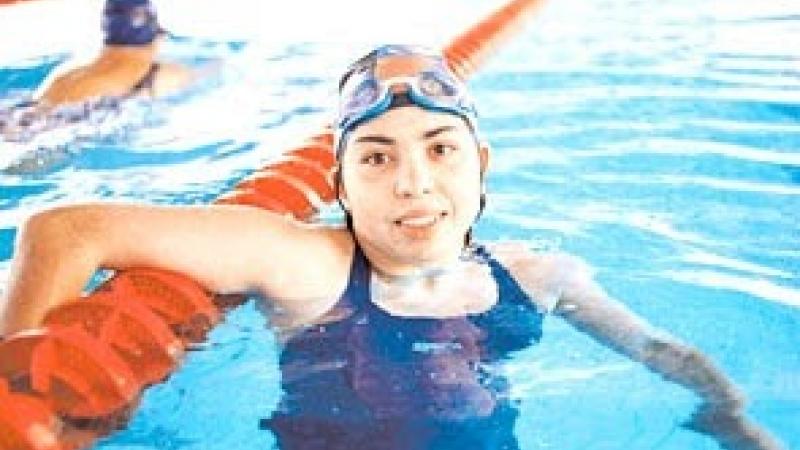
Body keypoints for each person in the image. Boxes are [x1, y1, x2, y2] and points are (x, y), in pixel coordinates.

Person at [0, 45, 785, 450]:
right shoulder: (307, 263)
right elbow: (62, 228)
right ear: (339, 185)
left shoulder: (539, 274)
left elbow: (660, 350)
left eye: (441, 149)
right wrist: (18, 398)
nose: (413, 183)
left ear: (482, 168)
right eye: (376, 157)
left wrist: (735, 419)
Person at [0, 0, 191, 142]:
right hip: (52, 129)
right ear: (158, 35)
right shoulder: (160, 72)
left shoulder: (73, 66)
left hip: (19, 114)